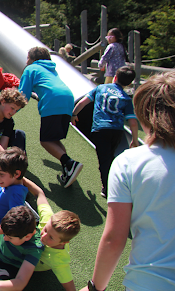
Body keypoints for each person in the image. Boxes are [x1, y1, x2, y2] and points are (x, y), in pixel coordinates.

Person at [79, 72, 175, 291]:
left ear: (145, 114)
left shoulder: (129, 163)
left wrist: (95, 287)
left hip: (150, 282)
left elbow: (114, 238)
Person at [0, 178, 81, 291]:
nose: (43, 236)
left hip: (22, 265)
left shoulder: (59, 260)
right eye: (46, 230)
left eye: (51, 238)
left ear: (64, 242)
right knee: (18, 215)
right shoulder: (49, 218)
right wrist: (18, 177)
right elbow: (39, 193)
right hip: (14, 242)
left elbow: (71, 288)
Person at [19, 46, 82, 188]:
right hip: (68, 100)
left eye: (28, 57)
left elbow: (22, 95)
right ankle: (67, 169)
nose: (26, 60)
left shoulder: (31, 68)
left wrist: (8, 111)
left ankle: (70, 163)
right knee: (54, 139)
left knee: (46, 141)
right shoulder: (51, 69)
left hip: (53, 101)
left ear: (33, 59)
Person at [71, 66, 139, 198]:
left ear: (115, 77)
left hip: (100, 129)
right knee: (109, 157)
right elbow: (133, 122)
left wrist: (74, 114)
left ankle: (107, 188)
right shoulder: (126, 98)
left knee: (104, 161)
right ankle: (114, 181)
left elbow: (83, 102)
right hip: (116, 131)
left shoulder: (101, 88)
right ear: (129, 83)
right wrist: (134, 140)